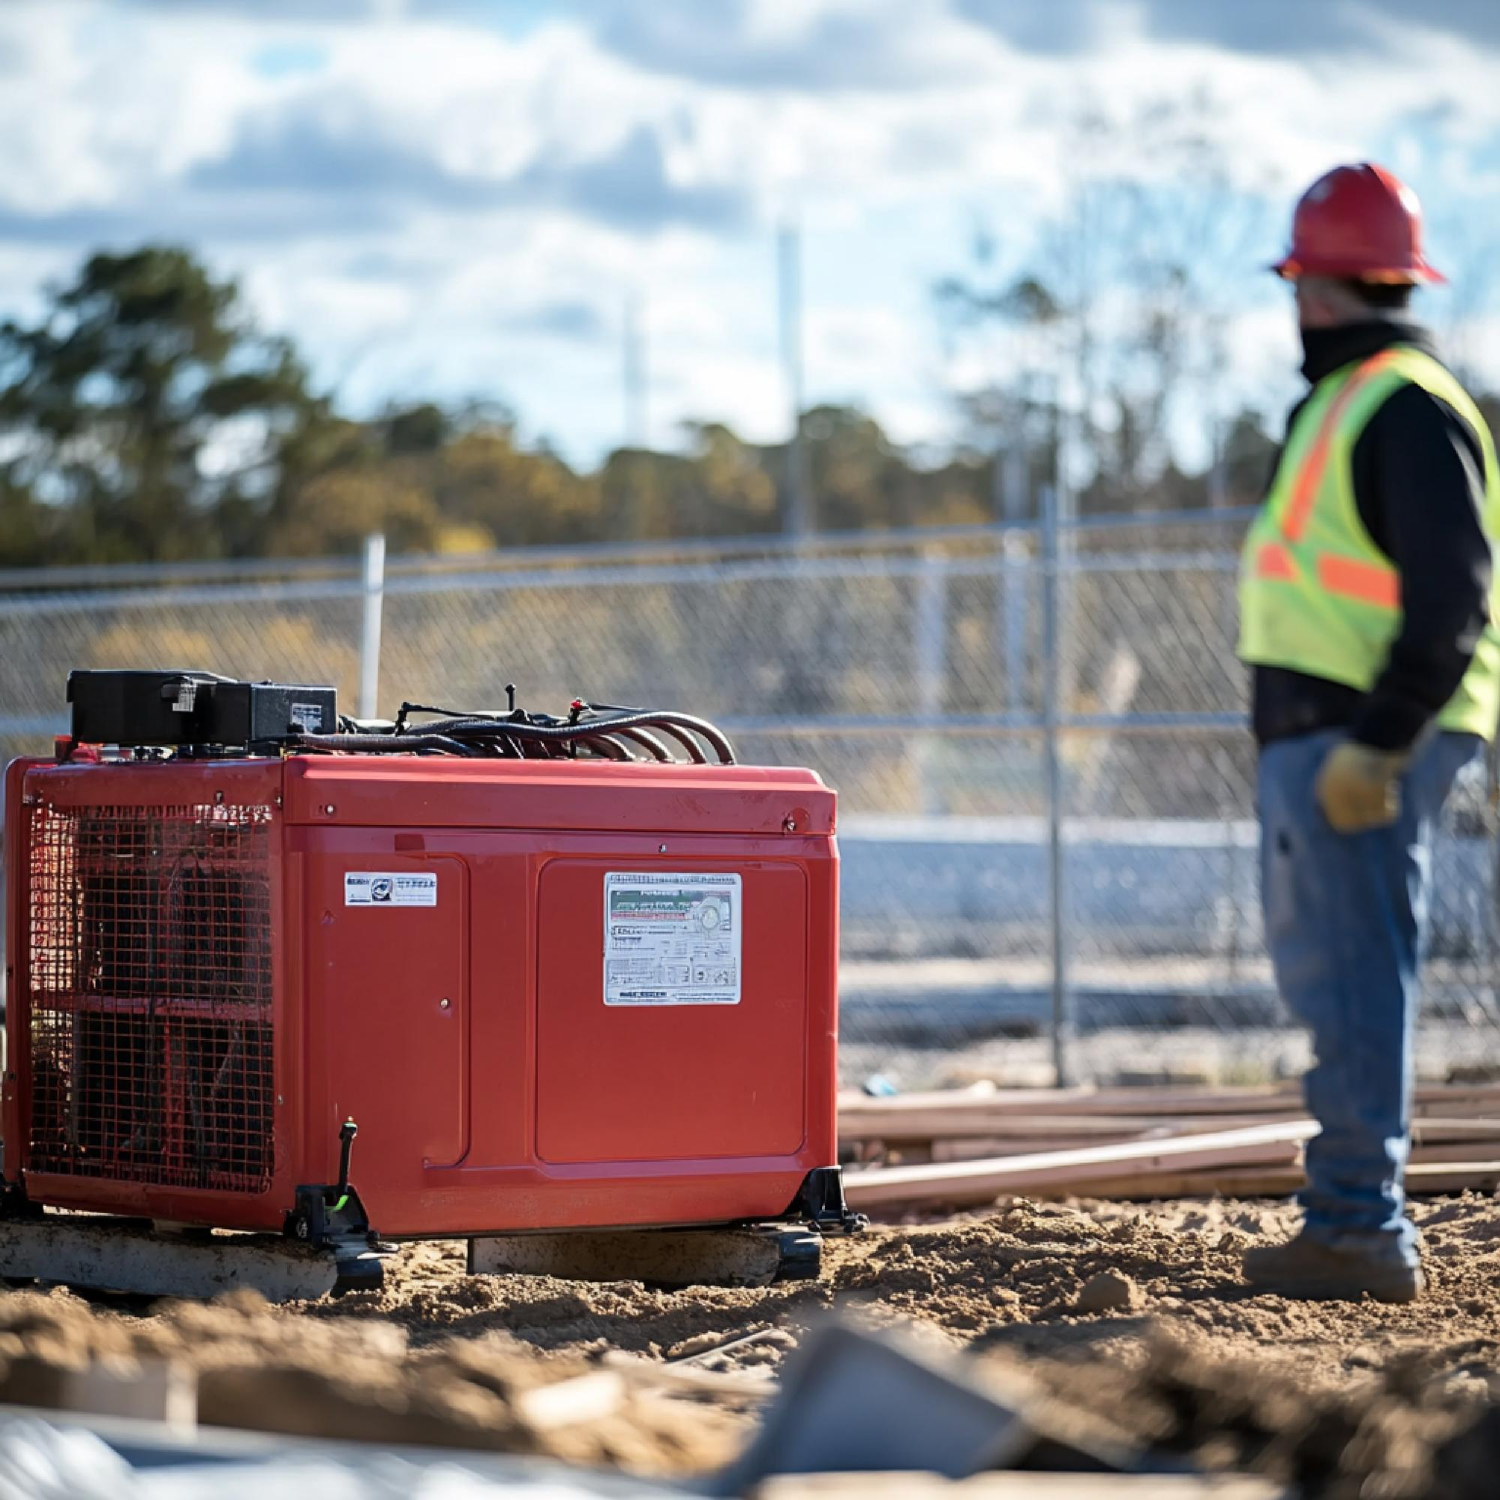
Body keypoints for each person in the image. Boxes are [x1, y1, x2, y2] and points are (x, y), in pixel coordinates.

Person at [1238, 162, 1500, 1302]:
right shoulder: (1363, 401)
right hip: (1335, 736)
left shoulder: (1397, 401)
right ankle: (1351, 1216)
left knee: (1351, 974)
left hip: (1363, 738)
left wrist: (1383, 742)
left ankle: (1357, 1226)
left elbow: (1455, 594)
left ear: (1310, 287)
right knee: (1333, 972)